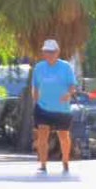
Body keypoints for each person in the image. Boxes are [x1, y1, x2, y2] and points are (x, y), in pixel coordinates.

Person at [33, 38, 77, 174]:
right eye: (46, 51)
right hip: (43, 107)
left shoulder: (65, 67)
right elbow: (35, 86)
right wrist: (35, 98)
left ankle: (65, 161)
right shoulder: (39, 67)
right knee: (42, 136)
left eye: (52, 52)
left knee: (63, 136)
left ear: (57, 52)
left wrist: (69, 94)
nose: (49, 54)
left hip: (61, 108)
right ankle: (43, 163)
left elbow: (72, 85)